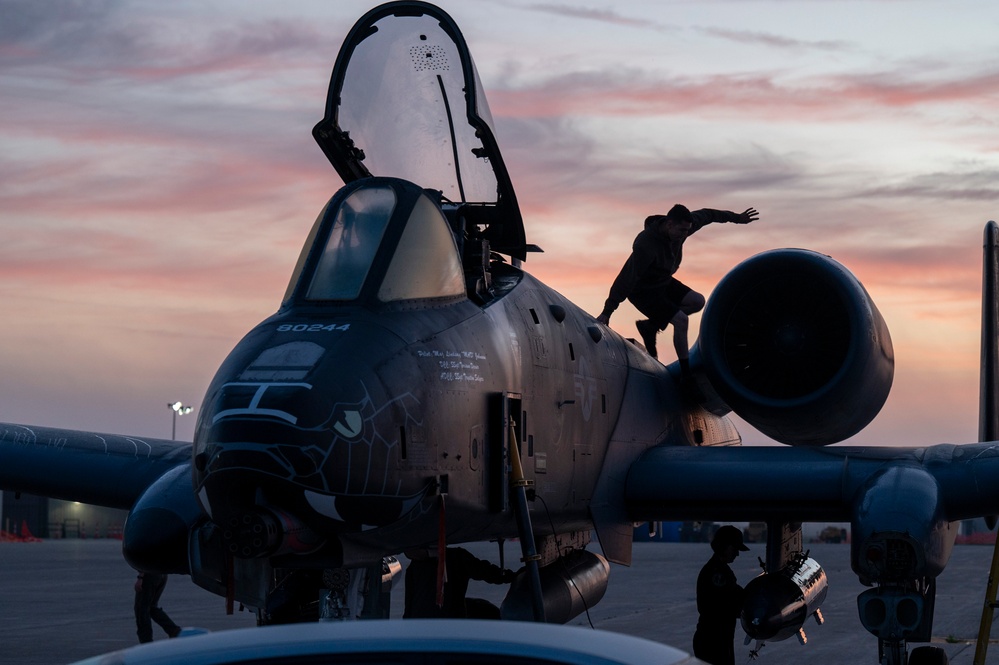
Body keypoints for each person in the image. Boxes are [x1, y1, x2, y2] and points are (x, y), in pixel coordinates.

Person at [596, 204, 758, 378]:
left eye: (687, 230)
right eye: (681, 230)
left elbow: (708, 215)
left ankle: (650, 326)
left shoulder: (685, 227)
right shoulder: (646, 244)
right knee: (681, 321)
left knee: (697, 301)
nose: (684, 234)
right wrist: (608, 311)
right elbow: (627, 277)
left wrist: (737, 218)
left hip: (663, 282)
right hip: (643, 291)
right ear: (669, 224)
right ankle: (685, 374)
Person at [403, 546, 517, 619]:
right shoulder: (457, 558)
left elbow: (409, 603)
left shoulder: (415, 566)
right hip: (452, 624)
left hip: (420, 625)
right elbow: (488, 573)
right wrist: (513, 576)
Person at [692, 525, 750, 665]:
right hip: (714, 641)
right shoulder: (717, 574)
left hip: (717, 639)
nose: (737, 553)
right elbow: (728, 603)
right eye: (734, 548)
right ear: (724, 546)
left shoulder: (720, 570)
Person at [134, 572, 181, 643]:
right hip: (162, 573)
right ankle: (174, 630)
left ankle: (146, 641)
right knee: (151, 607)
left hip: (149, 574)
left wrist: (140, 577)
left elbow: (146, 562)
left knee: (142, 609)